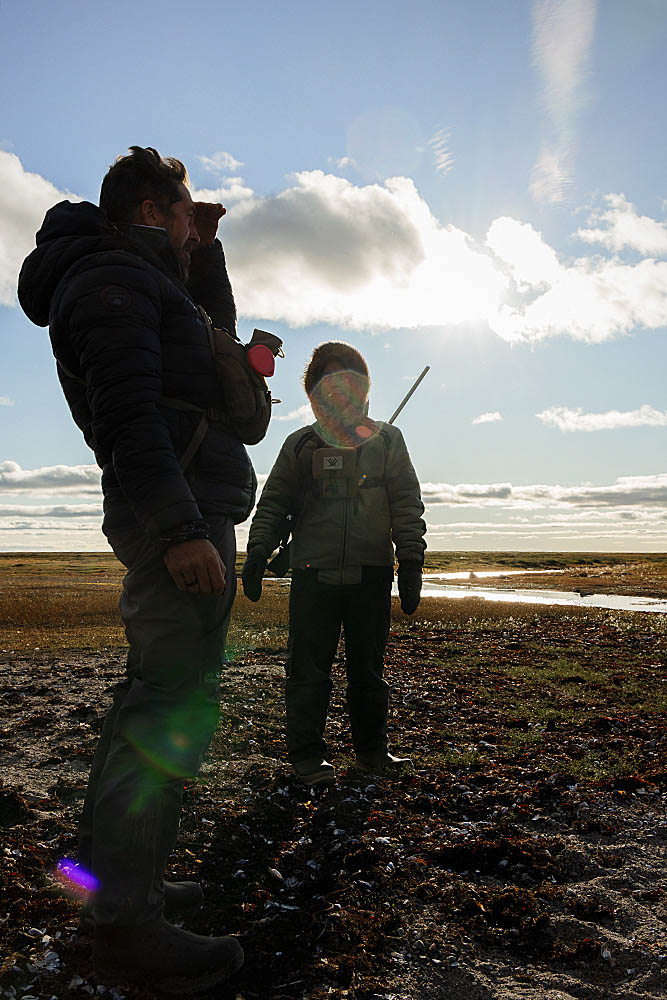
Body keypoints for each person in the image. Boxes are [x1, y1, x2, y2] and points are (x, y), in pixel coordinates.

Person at [18, 147, 252, 993]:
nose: (196, 226)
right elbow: (127, 413)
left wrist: (209, 252)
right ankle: (126, 927)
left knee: (143, 705)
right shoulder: (110, 280)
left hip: (187, 505)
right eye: (187, 215)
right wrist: (183, 528)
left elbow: (212, 354)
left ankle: (111, 886)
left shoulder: (149, 278)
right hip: (177, 515)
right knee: (166, 713)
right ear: (152, 212)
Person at [242, 341, 426, 787]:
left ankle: (371, 754)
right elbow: (274, 503)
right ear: (314, 393)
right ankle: (307, 758)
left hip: (372, 576)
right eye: (330, 383)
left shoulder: (388, 440)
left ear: (363, 389)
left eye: (349, 381)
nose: (340, 392)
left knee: (368, 673)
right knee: (307, 672)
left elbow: (406, 503)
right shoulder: (300, 444)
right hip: (312, 577)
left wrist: (411, 559)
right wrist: (256, 551)